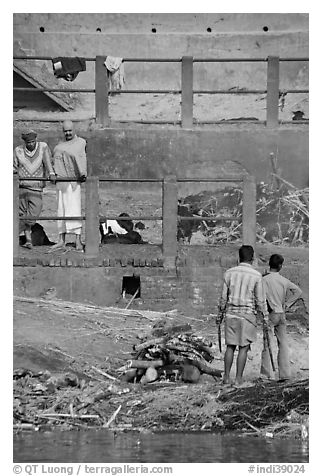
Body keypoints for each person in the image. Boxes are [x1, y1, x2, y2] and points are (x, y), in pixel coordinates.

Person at [217, 245, 268, 387]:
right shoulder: (256, 276)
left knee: (230, 346)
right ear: (252, 258)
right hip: (247, 316)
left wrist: (219, 315)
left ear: (239, 257)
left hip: (231, 314)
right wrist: (265, 318)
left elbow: (223, 298)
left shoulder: (229, 273)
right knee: (244, 347)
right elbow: (260, 300)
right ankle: (238, 379)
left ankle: (226, 377)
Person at [260, 254, 302, 381]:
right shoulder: (284, 280)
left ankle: (266, 374)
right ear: (280, 266)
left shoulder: (264, 280)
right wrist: (288, 304)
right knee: (283, 343)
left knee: (267, 343)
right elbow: (298, 291)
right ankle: (284, 374)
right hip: (281, 312)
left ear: (269, 264)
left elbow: (261, 297)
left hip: (271, 313)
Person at [13, 130, 56, 249]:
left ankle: (18, 235)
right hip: (21, 187)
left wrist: (51, 173)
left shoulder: (43, 147)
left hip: (36, 188)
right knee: (22, 214)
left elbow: (48, 162)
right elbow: (14, 166)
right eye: (28, 142)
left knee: (33, 213)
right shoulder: (18, 150)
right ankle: (28, 240)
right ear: (25, 142)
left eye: (33, 141)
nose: (31, 144)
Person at [51, 120, 87, 251]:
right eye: (65, 131)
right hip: (61, 183)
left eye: (70, 130)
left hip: (74, 183)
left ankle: (78, 240)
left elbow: (81, 158)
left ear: (74, 130)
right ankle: (61, 240)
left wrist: (82, 173)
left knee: (75, 210)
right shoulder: (59, 146)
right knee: (61, 210)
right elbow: (54, 159)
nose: (68, 133)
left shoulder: (81, 142)